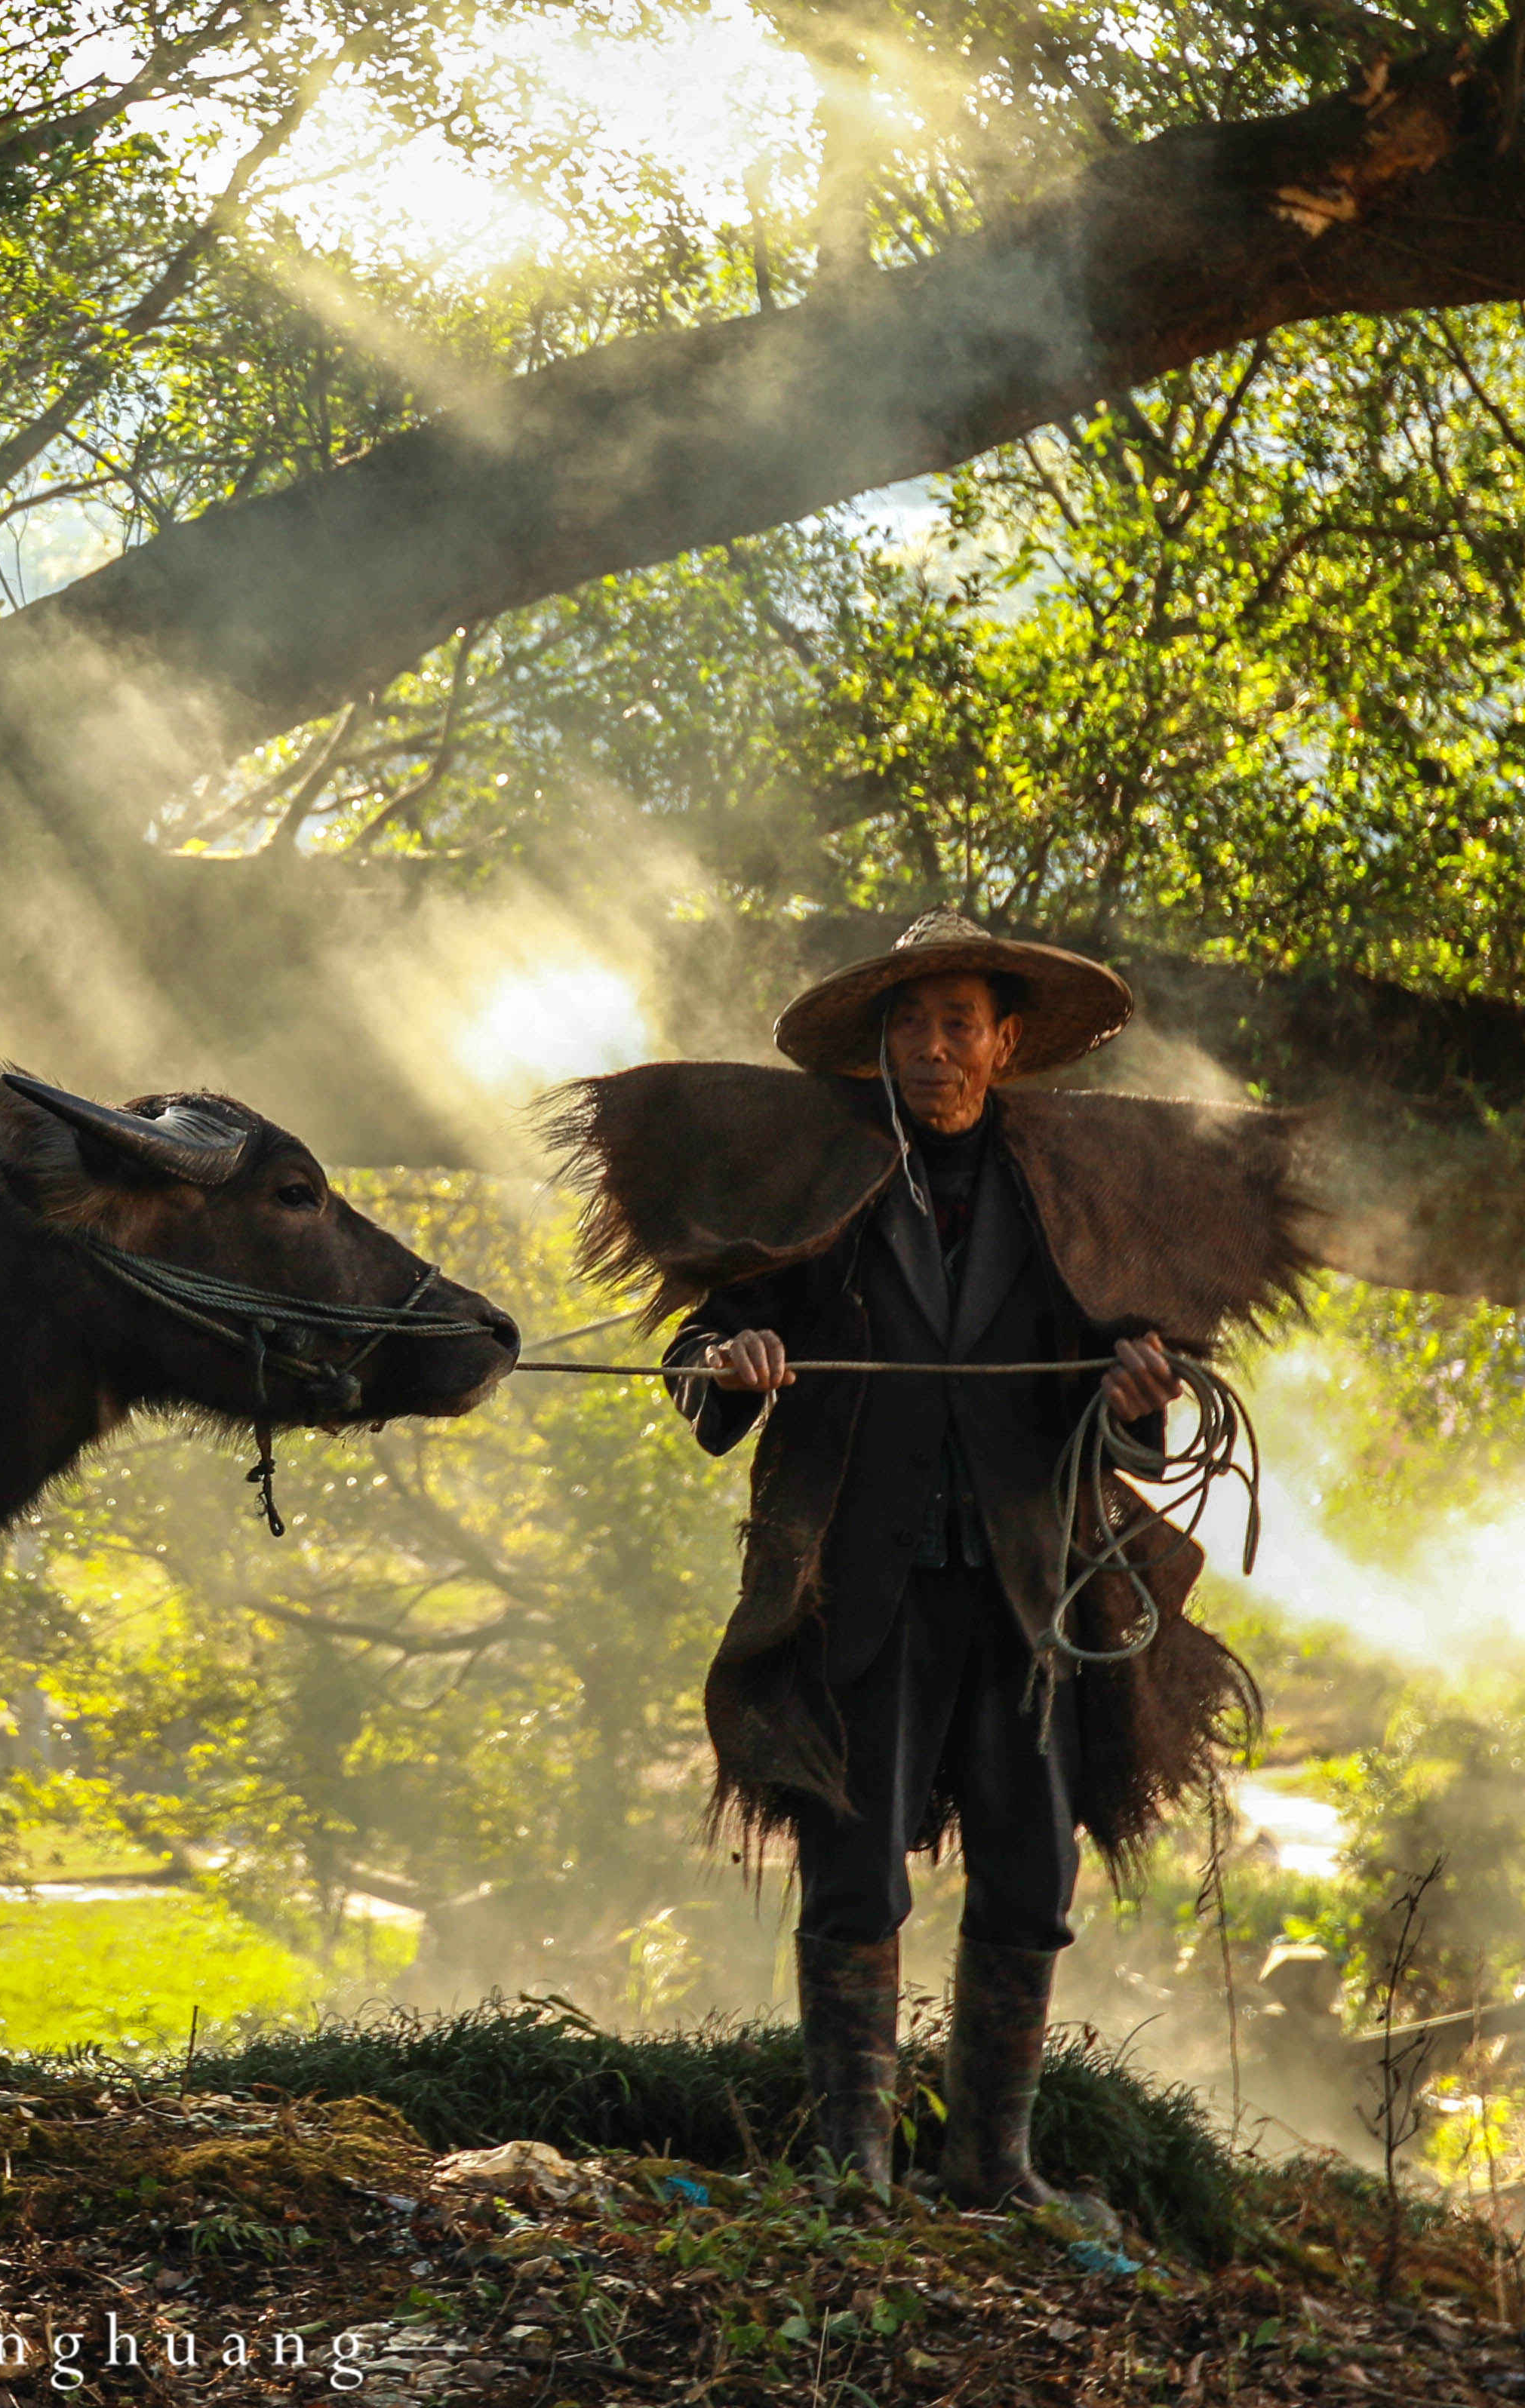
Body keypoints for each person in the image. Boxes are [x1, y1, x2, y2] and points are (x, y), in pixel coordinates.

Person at [552, 911, 1308, 2207]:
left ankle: (991, 2164)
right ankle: (854, 2163)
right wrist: (727, 1368)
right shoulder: (821, 1189)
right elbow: (704, 1360)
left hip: (1032, 1592)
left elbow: (1131, 1399)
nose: (933, 1047)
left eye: (958, 1023)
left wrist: (1135, 1396)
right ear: (880, 1043)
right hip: (860, 1579)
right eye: (909, 1023)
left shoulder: (1071, 1202)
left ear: (1006, 1044)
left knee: (1033, 1869)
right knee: (854, 1867)